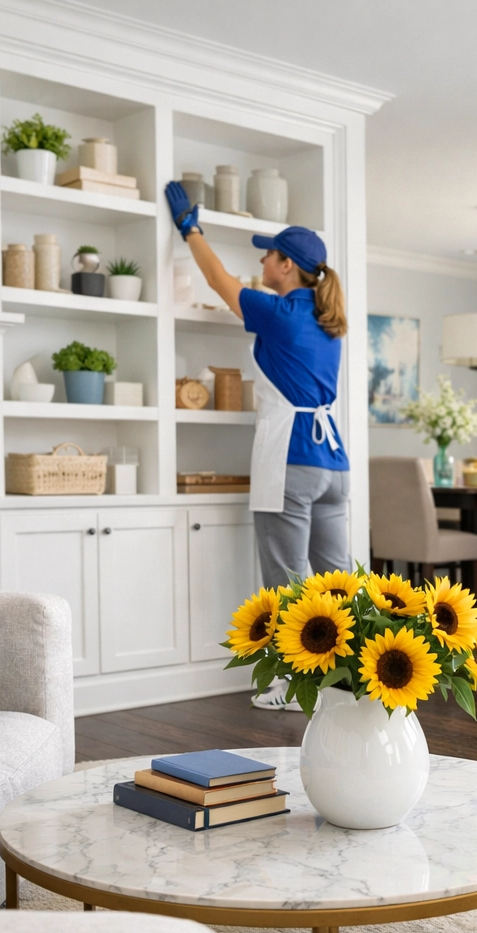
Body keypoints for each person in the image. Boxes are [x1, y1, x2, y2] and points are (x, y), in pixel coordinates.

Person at [166, 182, 350, 711]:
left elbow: (218, 281)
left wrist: (190, 229)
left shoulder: (281, 312)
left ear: (286, 266)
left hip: (291, 461)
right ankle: (342, 681)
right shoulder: (327, 321)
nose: (263, 261)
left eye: (268, 254)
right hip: (334, 466)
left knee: (288, 583)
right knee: (338, 584)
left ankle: (294, 688)